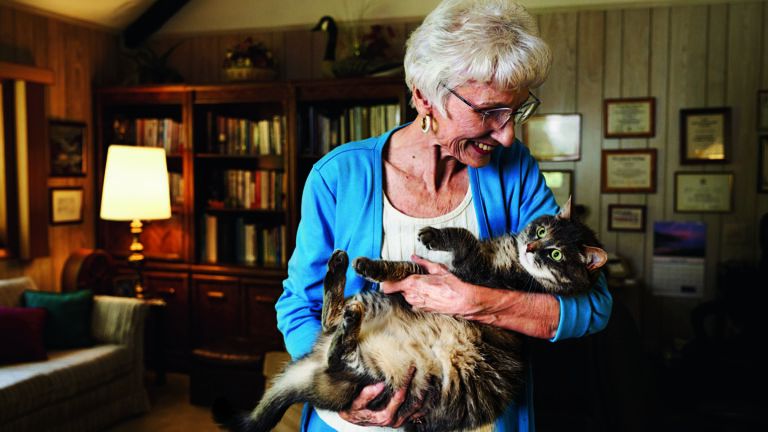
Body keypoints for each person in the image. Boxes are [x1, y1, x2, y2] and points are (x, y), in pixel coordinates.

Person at [276, 0, 613, 430]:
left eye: (517, 110)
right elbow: (298, 306)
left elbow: (595, 305)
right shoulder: (338, 176)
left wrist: (481, 303)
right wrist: (340, 388)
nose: (508, 135)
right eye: (489, 112)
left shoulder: (515, 169)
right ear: (423, 97)